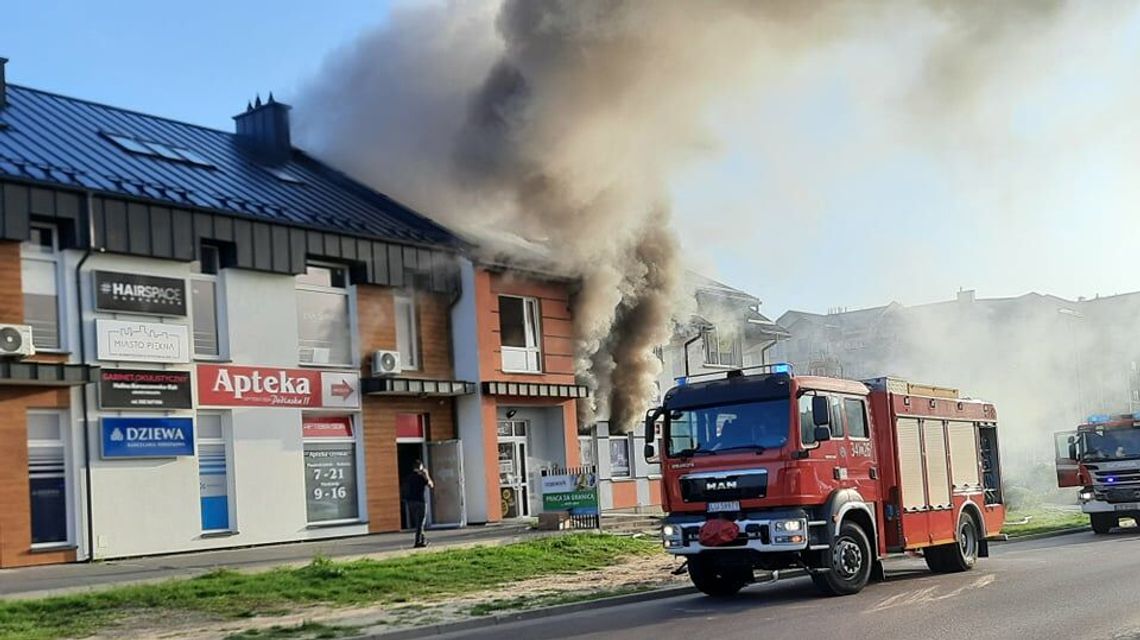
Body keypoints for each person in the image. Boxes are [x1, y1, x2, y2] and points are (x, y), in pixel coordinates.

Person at [403, 460, 434, 548]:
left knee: (418, 522)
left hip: (411, 502)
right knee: (421, 522)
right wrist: (426, 474)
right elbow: (431, 485)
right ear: (420, 467)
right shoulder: (421, 477)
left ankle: (423, 540)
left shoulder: (409, 477)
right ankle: (418, 541)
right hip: (420, 501)